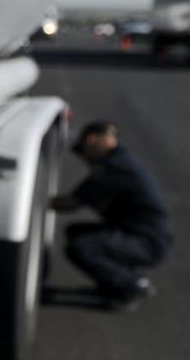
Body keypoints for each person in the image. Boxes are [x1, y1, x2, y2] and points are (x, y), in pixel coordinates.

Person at [50, 121, 172, 310]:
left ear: (91, 140)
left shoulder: (113, 168)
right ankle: (111, 287)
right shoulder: (120, 162)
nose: (86, 160)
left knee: (82, 247)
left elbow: (69, 204)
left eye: (84, 152)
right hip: (143, 237)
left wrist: (35, 199)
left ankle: (132, 285)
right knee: (76, 232)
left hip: (146, 243)